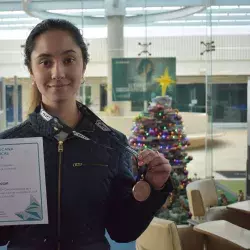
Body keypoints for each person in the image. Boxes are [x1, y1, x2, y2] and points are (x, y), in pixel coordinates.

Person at [0, 19, 172, 250]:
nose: (58, 72)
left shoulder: (112, 143)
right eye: (45, 61)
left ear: (83, 67)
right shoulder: (9, 146)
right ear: (31, 71)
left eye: (69, 60)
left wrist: (152, 189)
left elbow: (122, 231)